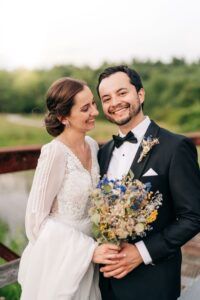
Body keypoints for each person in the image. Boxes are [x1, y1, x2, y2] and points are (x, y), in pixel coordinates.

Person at [97, 65, 200, 300]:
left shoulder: (176, 147)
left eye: (122, 93)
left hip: (153, 283)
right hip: (106, 283)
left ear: (140, 94)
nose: (115, 102)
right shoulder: (104, 152)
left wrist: (141, 252)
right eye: (106, 98)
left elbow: (193, 216)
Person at [18, 77, 123, 300]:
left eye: (93, 104)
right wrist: (87, 250)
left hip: (91, 257)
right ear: (63, 117)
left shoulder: (93, 145)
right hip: (62, 258)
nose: (95, 111)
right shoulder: (54, 153)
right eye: (85, 108)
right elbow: (35, 222)